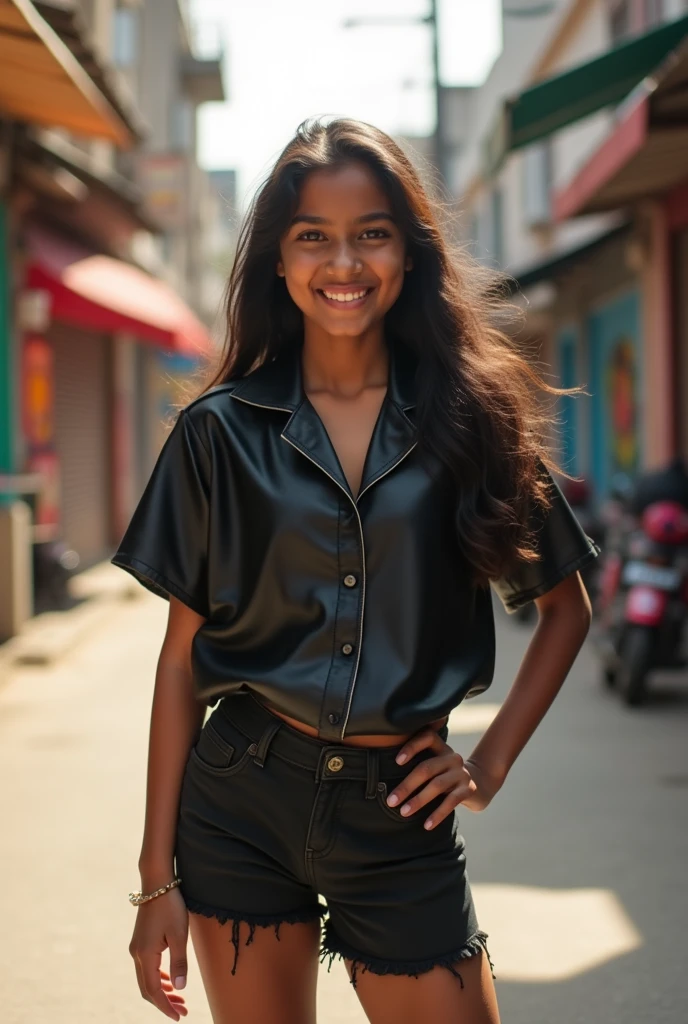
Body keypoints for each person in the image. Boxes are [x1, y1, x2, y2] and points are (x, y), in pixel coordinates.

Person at [112, 118, 599, 1024]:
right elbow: (180, 661)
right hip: (239, 805)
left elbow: (566, 609)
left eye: (371, 232)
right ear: (279, 262)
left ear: (408, 254)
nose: (345, 262)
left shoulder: (474, 419)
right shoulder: (218, 433)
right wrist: (154, 885)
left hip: (400, 821)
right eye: (313, 237)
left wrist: (486, 767)